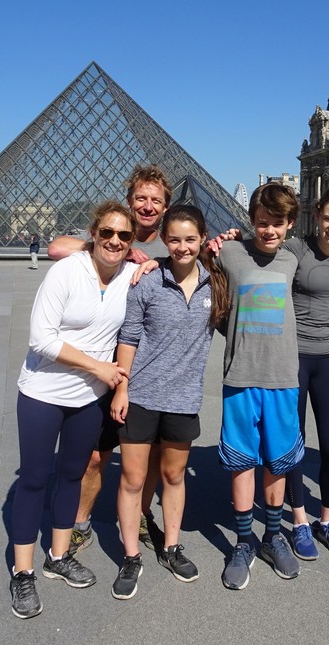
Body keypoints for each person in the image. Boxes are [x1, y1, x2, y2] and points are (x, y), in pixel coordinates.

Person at [10, 201, 138, 619]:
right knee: (32, 480)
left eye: (124, 236)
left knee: (71, 475)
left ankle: (58, 556)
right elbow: (41, 340)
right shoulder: (66, 272)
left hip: (88, 399)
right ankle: (23, 571)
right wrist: (99, 367)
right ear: (93, 234)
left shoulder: (130, 278)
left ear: (132, 241)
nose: (115, 241)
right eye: (107, 233)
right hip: (43, 392)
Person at [48, 164, 172, 556]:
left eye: (156, 200)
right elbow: (56, 247)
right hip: (106, 368)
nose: (148, 206)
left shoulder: (172, 245)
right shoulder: (117, 237)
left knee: (148, 458)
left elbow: (204, 254)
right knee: (95, 458)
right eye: (141, 198)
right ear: (130, 201)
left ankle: (137, 516)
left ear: (166, 207)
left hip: (150, 371)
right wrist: (118, 246)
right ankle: (82, 522)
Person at [110, 204, 229, 599]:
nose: (181, 247)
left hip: (183, 400)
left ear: (202, 239)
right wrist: (122, 388)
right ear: (164, 239)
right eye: (174, 239)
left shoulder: (218, 283)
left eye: (190, 239)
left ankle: (171, 545)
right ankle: (130, 555)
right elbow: (128, 336)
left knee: (174, 477)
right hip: (141, 395)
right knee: (133, 479)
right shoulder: (147, 280)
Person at [217, 183, 303, 590]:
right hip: (240, 375)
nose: (269, 230)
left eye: (278, 224)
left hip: (283, 375)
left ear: (290, 224)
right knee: (241, 463)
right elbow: (182, 255)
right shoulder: (230, 252)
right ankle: (243, 541)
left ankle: (272, 536)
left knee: (277, 462)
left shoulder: (294, 258)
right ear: (251, 220)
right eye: (263, 222)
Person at [281, 188, 329, 561]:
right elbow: (257, 252)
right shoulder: (297, 249)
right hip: (293, 358)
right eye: (328, 218)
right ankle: (298, 521)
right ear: (317, 214)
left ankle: (327, 519)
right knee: (294, 444)